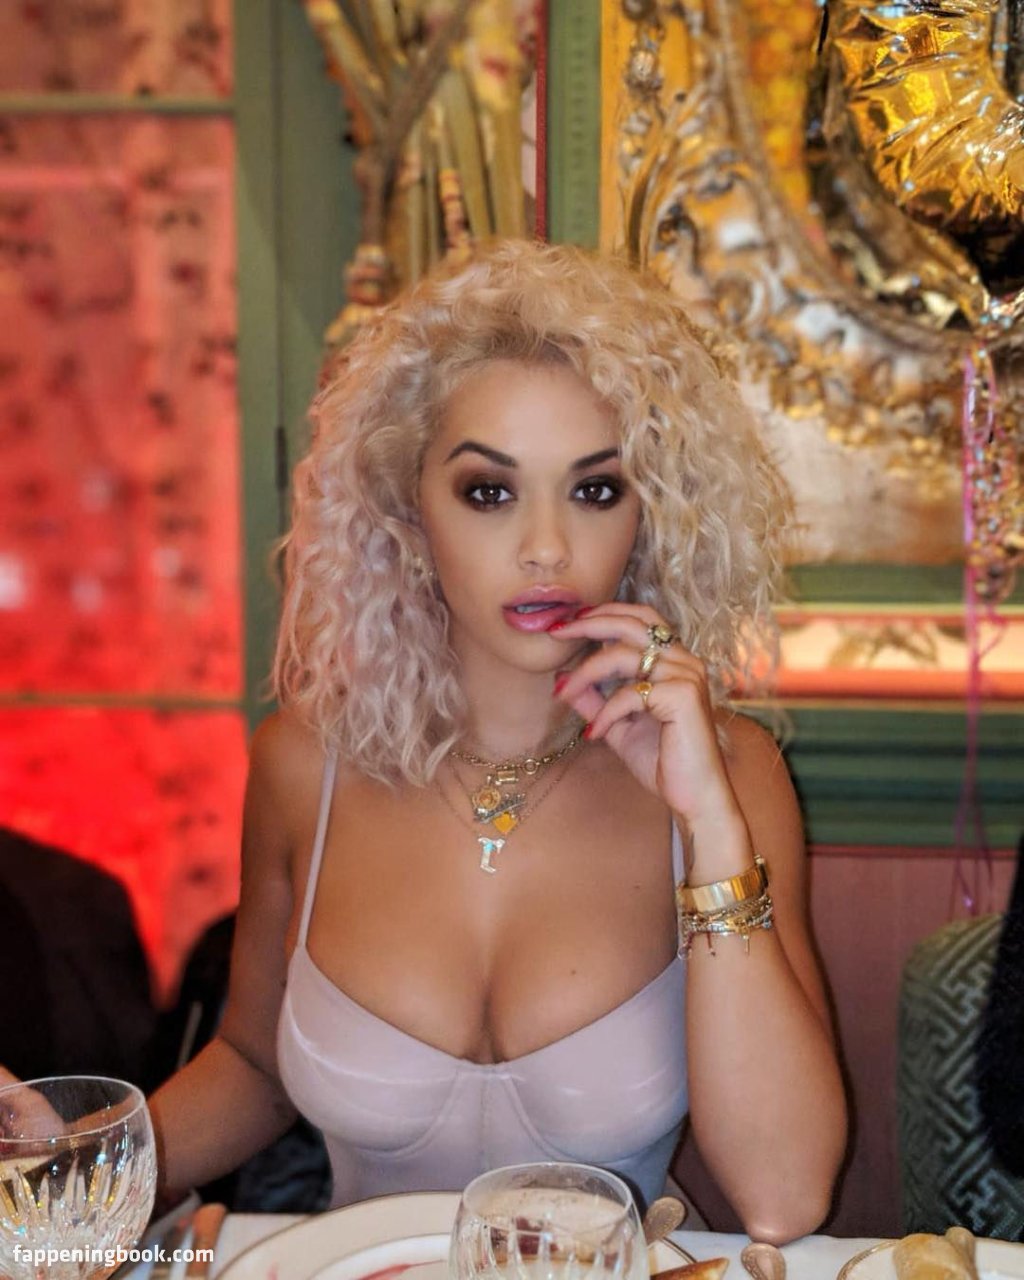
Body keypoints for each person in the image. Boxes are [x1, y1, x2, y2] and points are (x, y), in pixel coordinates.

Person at [9, 241, 847, 1241]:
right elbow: (257, 1062)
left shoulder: (729, 775)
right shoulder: (304, 764)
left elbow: (785, 1198)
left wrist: (709, 823)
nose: (547, 547)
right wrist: (81, 1171)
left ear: (649, 514)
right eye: (489, 491)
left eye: (595, 490)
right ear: (411, 511)